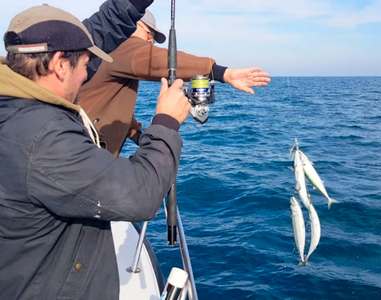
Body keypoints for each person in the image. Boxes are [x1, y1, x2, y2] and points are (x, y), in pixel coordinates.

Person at [0, 5, 190, 299]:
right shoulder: (44, 139)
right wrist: (166, 122)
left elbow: (102, 28)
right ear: (61, 64)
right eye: (86, 65)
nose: (86, 77)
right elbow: (139, 194)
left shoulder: (15, 101)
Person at [79, 11, 271, 157]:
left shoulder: (109, 54)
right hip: (83, 157)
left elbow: (111, 105)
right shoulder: (122, 46)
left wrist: (137, 134)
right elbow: (156, 59)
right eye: (149, 34)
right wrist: (223, 73)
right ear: (136, 25)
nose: (150, 41)